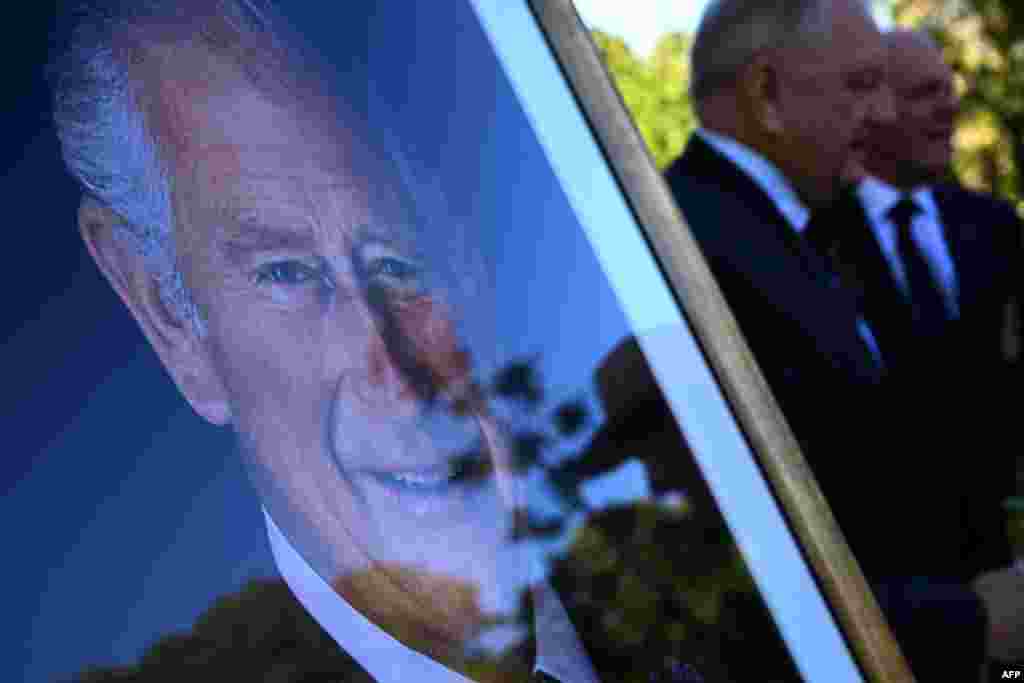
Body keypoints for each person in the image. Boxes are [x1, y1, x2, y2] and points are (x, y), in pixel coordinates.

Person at [48, 2, 600, 681]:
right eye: (288, 273)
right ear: (166, 314)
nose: (397, 376)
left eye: (405, 261)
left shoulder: (706, 499)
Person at [663, 0, 1020, 678]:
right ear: (767, 94)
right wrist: (973, 617)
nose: (883, 115)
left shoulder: (773, 232)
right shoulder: (698, 250)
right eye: (860, 85)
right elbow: (736, 581)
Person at [826, 27, 1024, 666]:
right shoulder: (814, 244)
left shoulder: (994, 229)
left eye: (949, 91)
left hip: (1005, 578)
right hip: (890, 604)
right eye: (924, 94)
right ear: (870, 108)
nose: (949, 109)